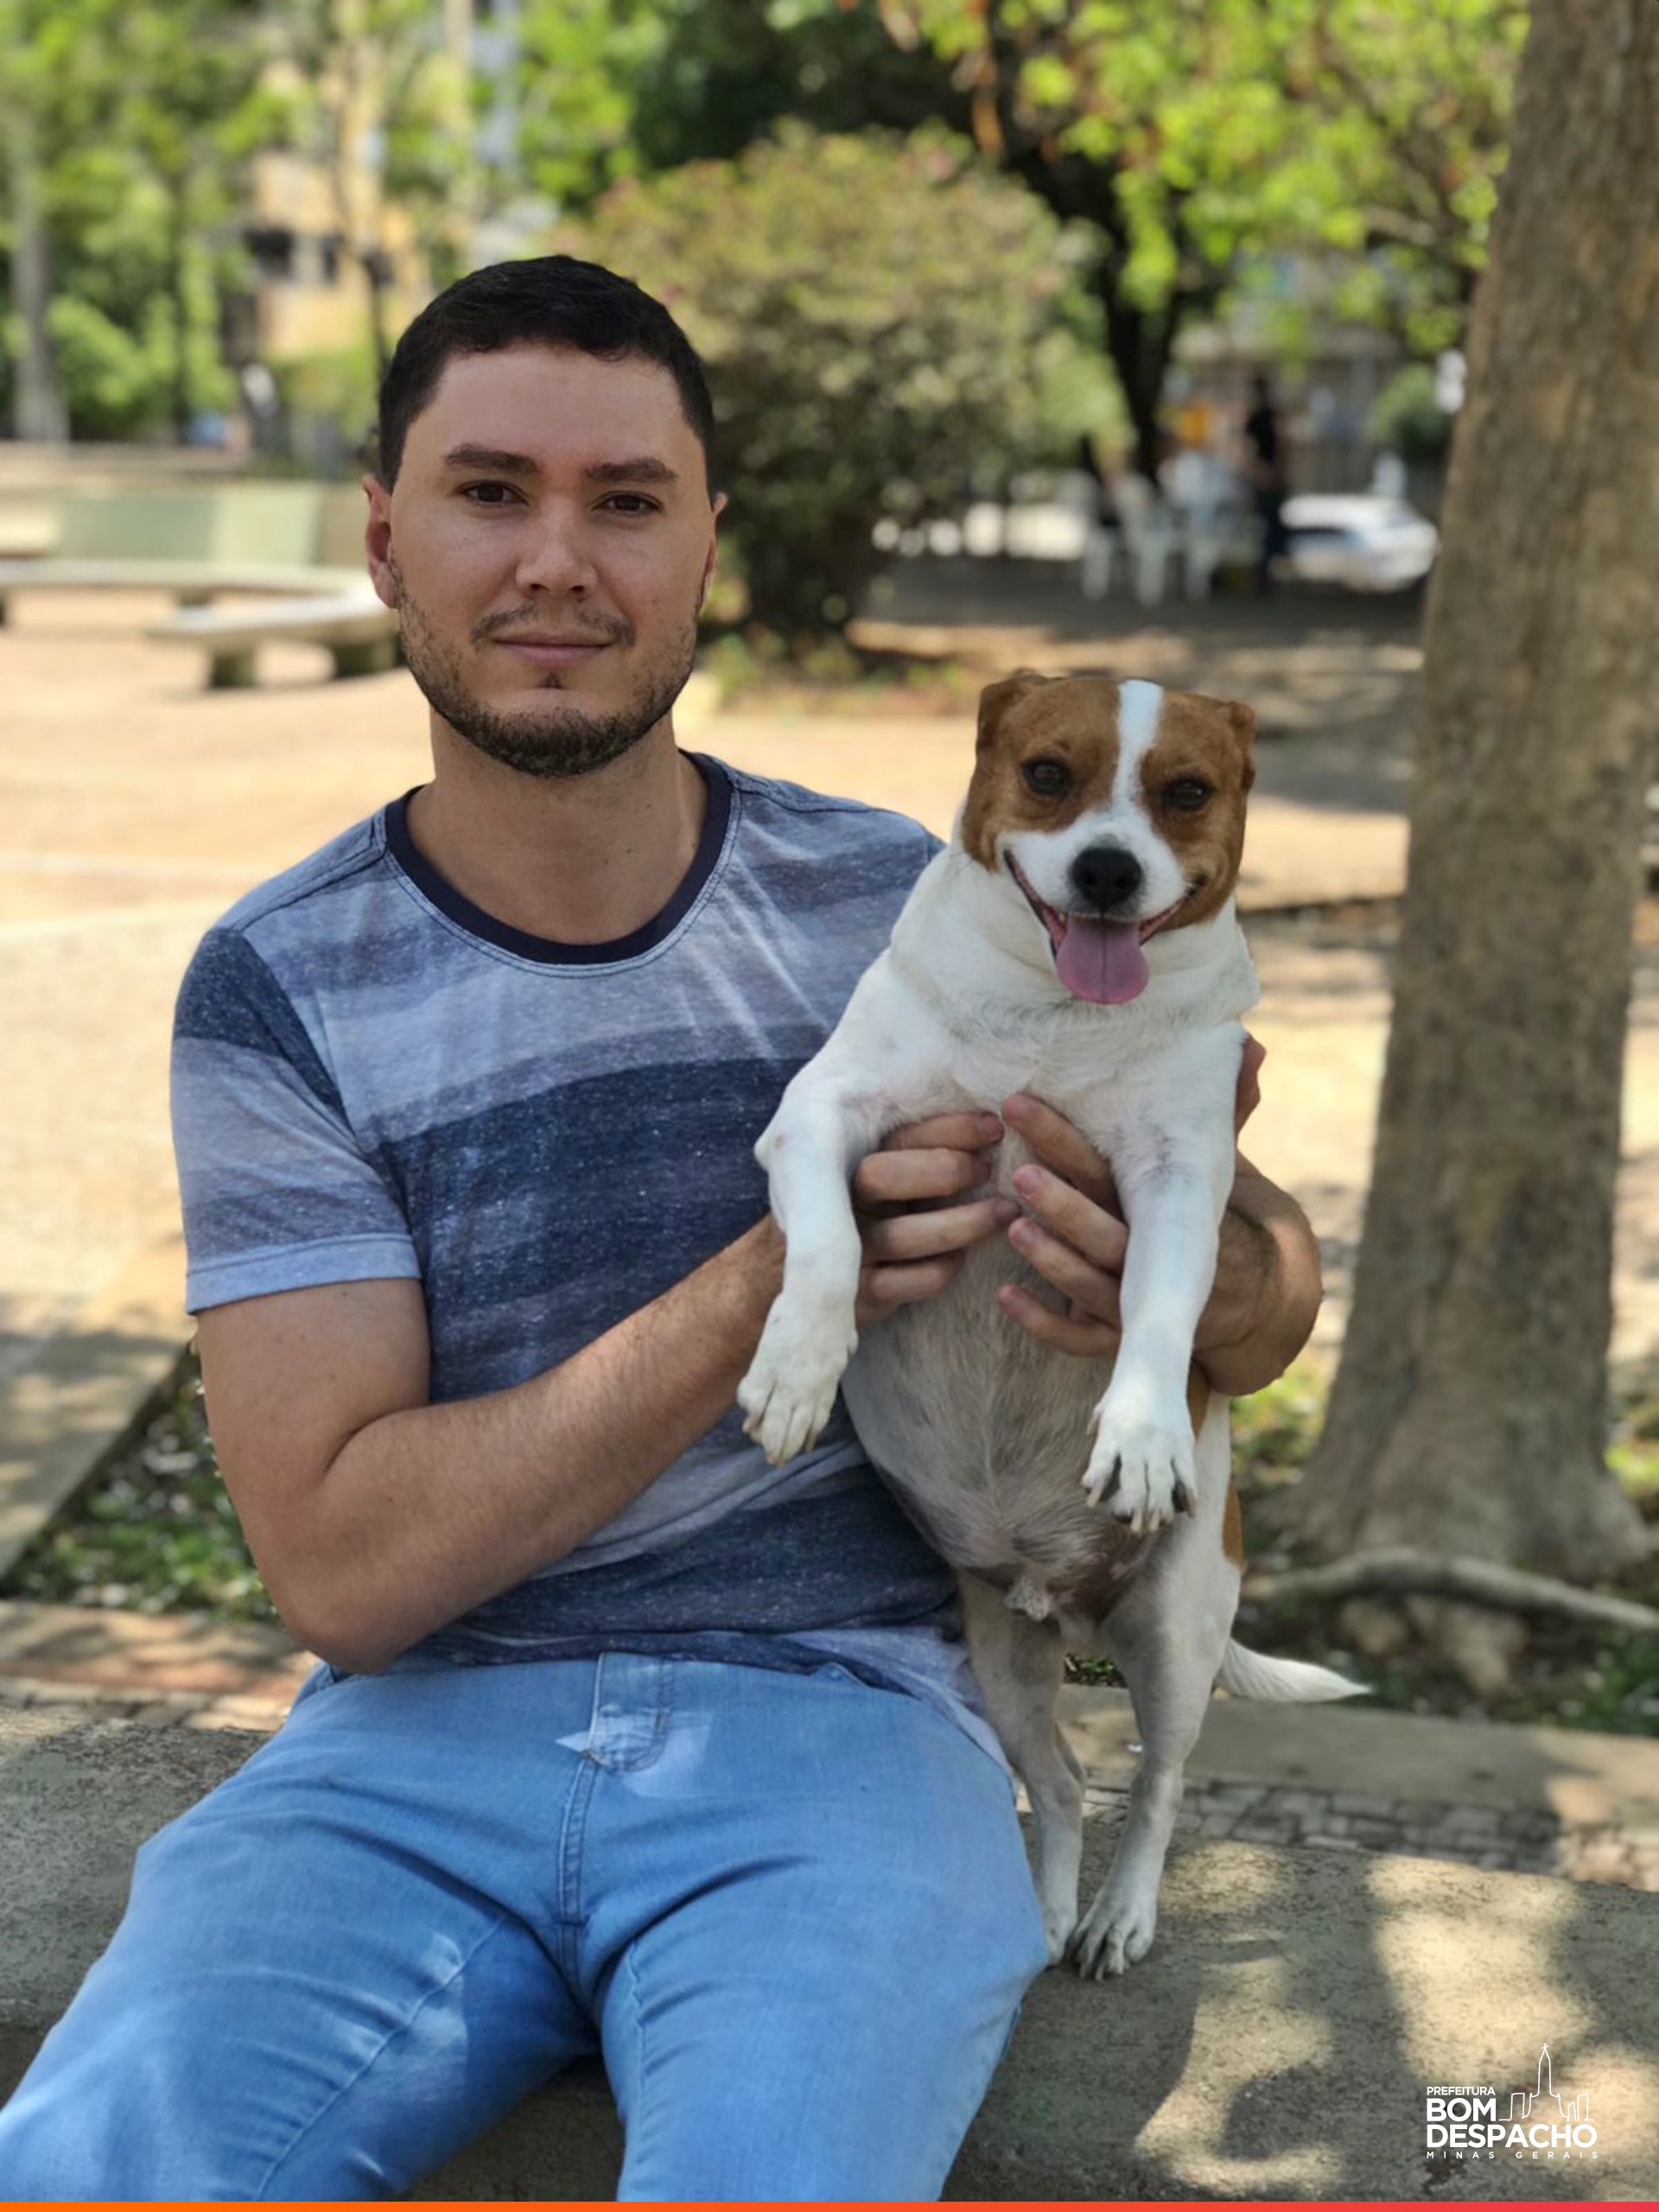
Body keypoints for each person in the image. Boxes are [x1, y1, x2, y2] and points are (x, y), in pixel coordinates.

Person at [0, 256, 1322, 2202]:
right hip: (408, 1748)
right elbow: (346, 1571)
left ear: (708, 545)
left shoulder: (910, 895)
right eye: (489, 491)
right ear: (384, 539)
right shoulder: (280, 982)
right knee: (100, 2164)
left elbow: (1267, 1286)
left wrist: (1196, 1290)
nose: (560, 561)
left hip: (851, 1733)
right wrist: (784, 1274)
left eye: (626, 500)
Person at [1243, 372, 1291, 592]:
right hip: (1266, 474)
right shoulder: (1263, 416)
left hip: (1267, 474)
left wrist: (1265, 470)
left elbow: (1278, 444)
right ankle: (1266, 568)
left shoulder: (1266, 416)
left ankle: (1268, 568)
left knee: (1270, 523)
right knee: (1268, 523)